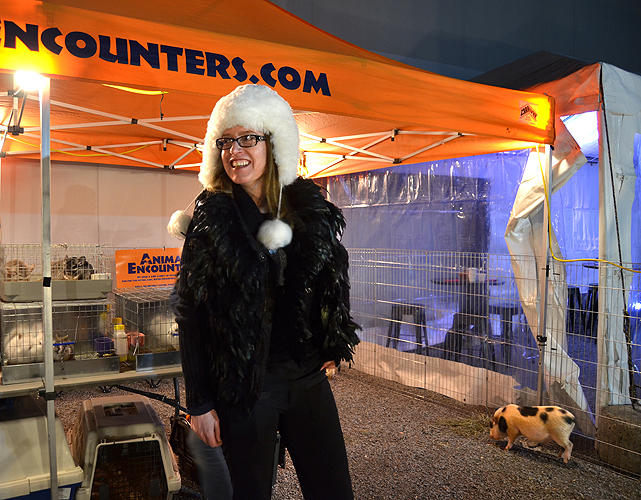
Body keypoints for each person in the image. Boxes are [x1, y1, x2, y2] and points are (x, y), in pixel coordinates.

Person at [167, 84, 360, 500]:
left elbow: (332, 275)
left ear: (274, 143)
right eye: (226, 141)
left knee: (334, 489)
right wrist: (199, 403)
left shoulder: (308, 209)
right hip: (245, 387)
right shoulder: (210, 219)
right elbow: (190, 312)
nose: (235, 150)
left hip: (307, 379)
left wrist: (332, 336)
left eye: (248, 138)